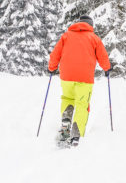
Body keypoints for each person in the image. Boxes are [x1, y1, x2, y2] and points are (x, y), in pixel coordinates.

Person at [47, 15, 111, 147]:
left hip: (67, 75)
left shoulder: (66, 36)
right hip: (84, 77)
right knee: (82, 104)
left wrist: (52, 68)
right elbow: (103, 56)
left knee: (67, 98)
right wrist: (107, 69)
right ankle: (76, 134)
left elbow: (55, 53)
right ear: (90, 26)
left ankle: (66, 121)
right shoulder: (94, 38)